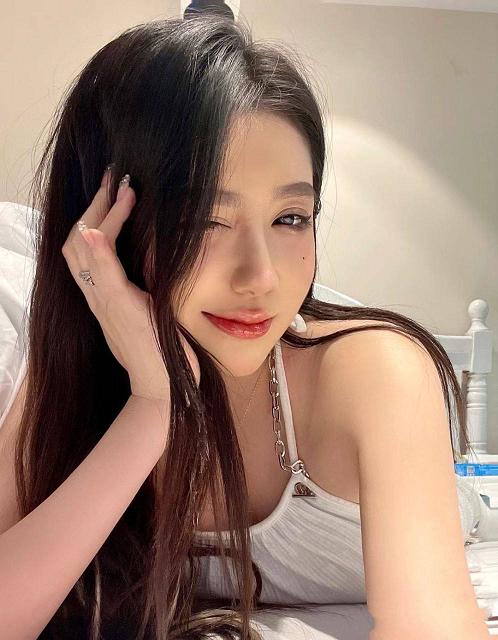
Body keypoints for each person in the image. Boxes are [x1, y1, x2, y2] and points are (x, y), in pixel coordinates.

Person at [0, 14, 486, 640]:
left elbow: (435, 625)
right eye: (205, 221)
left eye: (290, 218)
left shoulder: (378, 372)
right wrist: (153, 406)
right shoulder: (69, 381)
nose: (261, 278)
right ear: (107, 228)